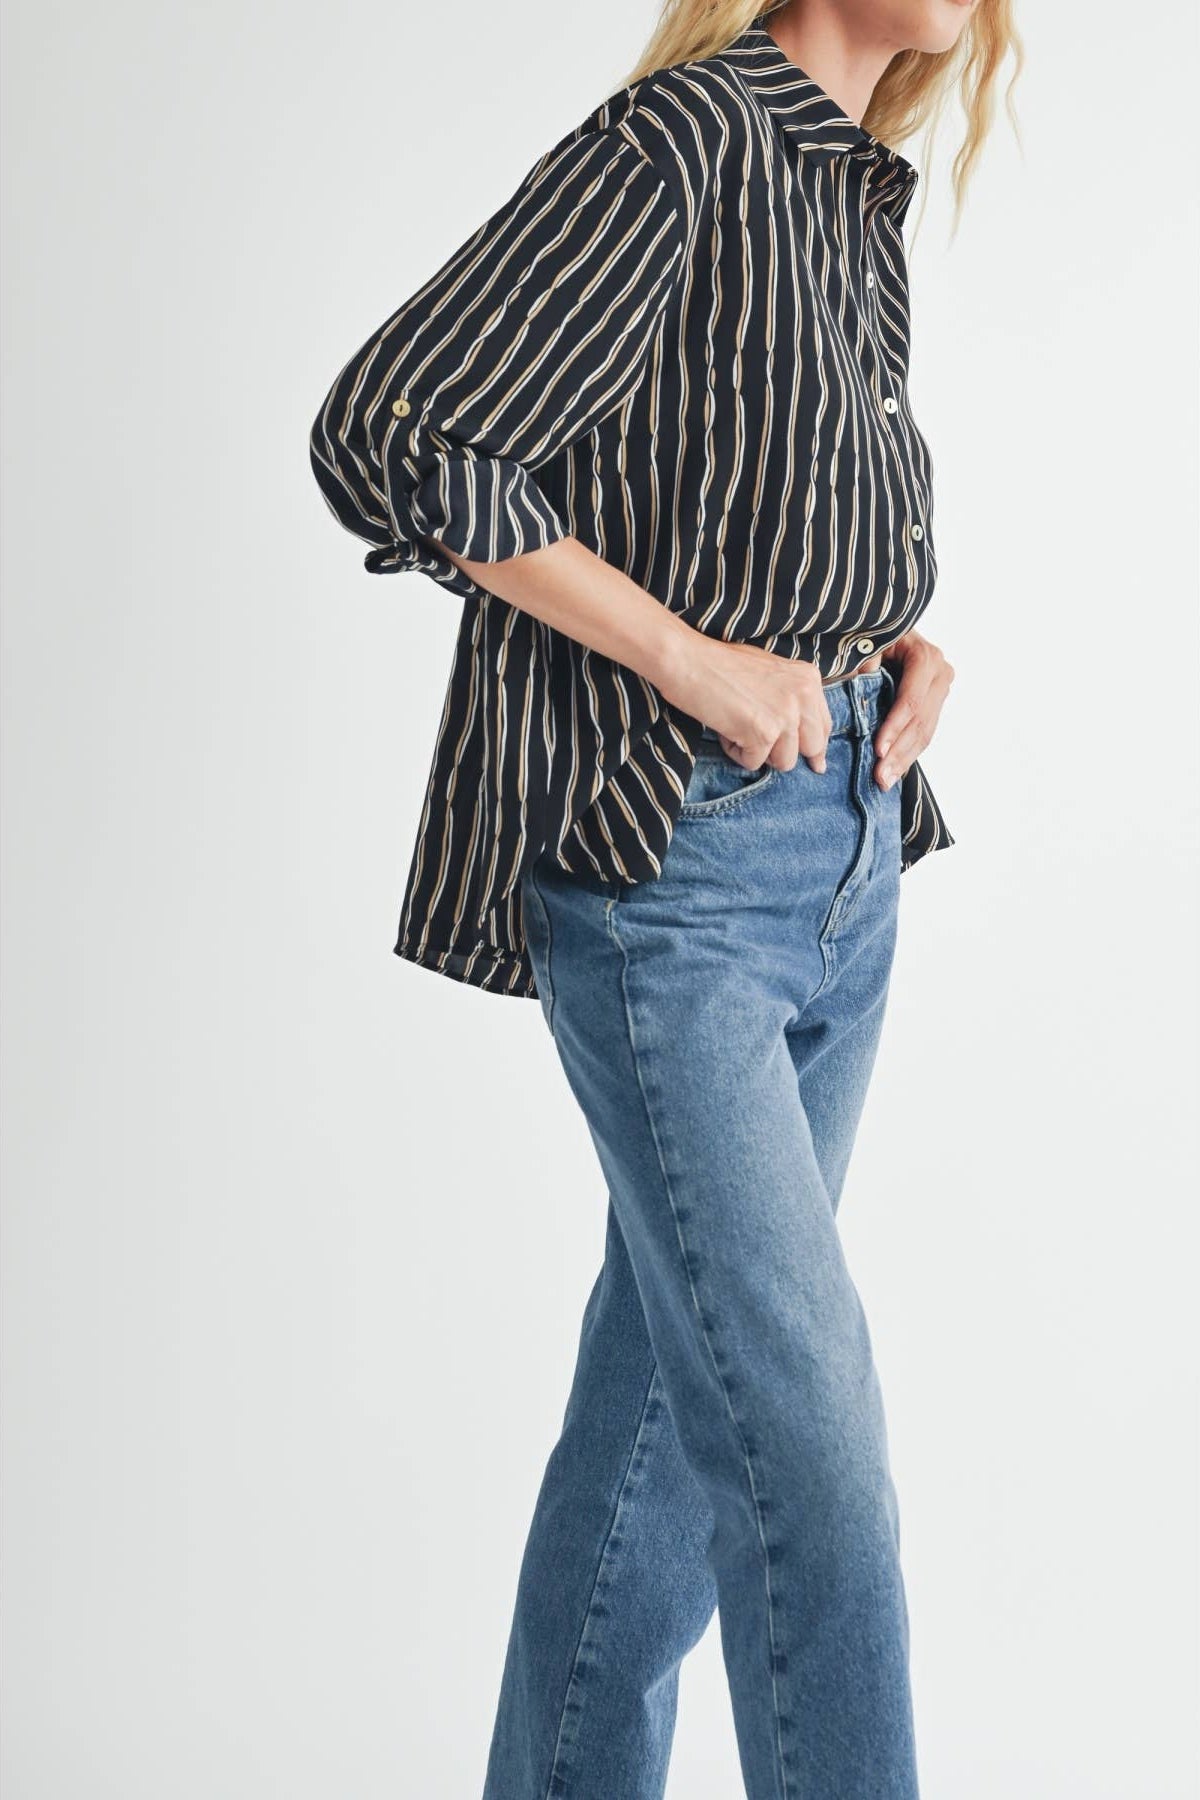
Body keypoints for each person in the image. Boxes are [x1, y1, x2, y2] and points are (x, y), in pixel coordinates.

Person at [309, 1, 1020, 1792]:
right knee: (813, 1455)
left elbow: (739, 503)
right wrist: (706, 668)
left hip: (850, 850)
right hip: (679, 876)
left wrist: (885, 646)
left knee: (646, 1450)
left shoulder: (854, 197)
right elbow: (394, 429)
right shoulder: (685, 141)